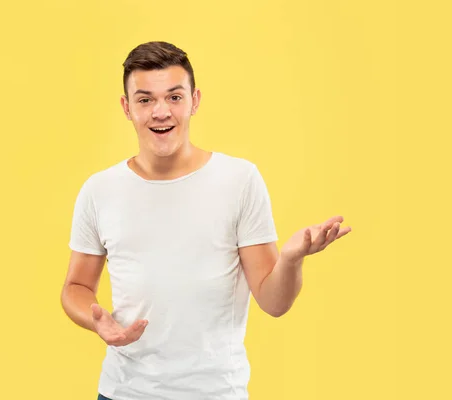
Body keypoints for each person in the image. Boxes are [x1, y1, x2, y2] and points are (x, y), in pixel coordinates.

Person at [60, 41, 352, 400]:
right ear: (127, 107)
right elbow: (75, 287)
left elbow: (274, 303)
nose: (161, 112)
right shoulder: (99, 190)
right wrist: (96, 320)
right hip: (123, 392)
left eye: (174, 97)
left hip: (215, 393)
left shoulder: (239, 180)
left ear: (194, 100)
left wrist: (292, 259)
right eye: (145, 99)